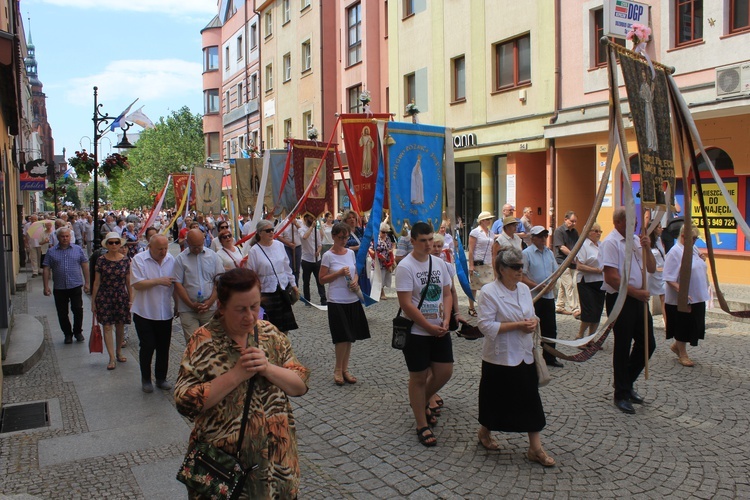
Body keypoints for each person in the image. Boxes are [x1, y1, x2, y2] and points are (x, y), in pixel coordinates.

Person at [174, 268, 309, 499]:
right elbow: (185, 402)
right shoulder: (203, 341)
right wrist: (236, 375)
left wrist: (267, 368)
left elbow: (299, 385)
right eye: (240, 309)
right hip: (224, 468)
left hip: (277, 468)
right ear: (222, 307)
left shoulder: (270, 334)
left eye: (254, 306)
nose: (249, 316)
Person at [476, 247, 555, 466]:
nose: (520, 270)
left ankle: (535, 448)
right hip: (499, 357)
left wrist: (533, 321)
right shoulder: (489, 292)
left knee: (530, 399)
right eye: (515, 267)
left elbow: (529, 314)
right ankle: (484, 432)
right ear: (501, 269)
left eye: (522, 266)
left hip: (524, 354)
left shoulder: (523, 290)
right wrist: (518, 325)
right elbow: (485, 326)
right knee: (495, 400)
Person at [395, 222, 453, 447]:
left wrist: (447, 318)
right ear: (413, 241)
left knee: (444, 371)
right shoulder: (406, 267)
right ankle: (421, 423)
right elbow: (406, 304)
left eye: (431, 240)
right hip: (417, 331)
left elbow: (447, 294)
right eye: (423, 241)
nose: (429, 244)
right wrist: (427, 327)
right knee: (418, 378)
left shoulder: (439, 263)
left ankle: (418, 402)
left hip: (440, 328)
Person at [599, 207, 656, 414]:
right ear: (619, 222)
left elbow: (651, 268)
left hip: (639, 298)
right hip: (621, 298)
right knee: (622, 346)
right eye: (631, 221)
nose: (635, 224)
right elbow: (611, 278)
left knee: (648, 343)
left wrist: (648, 248)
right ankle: (621, 393)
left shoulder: (637, 241)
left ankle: (626, 382)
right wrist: (635, 293)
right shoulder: (611, 243)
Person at [319, 223, 371, 386]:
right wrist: (338, 273)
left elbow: (355, 271)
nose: (343, 240)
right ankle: (337, 369)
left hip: (352, 299)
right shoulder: (328, 255)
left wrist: (355, 282)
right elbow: (321, 279)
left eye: (346, 237)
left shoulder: (349, 253)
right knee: (341, 337)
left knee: (350, 337)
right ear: (333, 236)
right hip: (336, 299)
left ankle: (345, 369)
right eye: (340, 237)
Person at [130, 234, 176, 392]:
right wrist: (159, 281)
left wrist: (177, 303)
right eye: (159, 249)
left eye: (165, 248)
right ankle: (146, 379)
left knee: (164, 347)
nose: (163, 252)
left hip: (164, 312)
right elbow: (137, 284)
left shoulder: (171, 259)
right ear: (150, 247)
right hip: (144, 311)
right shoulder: (139, 259)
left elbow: (175, 284)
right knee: (148, 346)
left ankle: (161, 378)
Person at [663, 225, 709, 367]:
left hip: (697, 295)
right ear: (683, 236)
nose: (695, 241)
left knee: (694, 324)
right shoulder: (675, 252)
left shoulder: (693, 249)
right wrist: (682, 292)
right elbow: (669, 277)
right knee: (683, 324)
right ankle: (682, 353)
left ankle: (677, 345)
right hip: (682, 297)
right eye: (693, 238)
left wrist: (703, 259)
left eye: (696, 238)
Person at [246, 219, 299, 333]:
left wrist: (294, 285)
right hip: (266, 292)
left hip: (282, 289)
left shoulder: (279, 245)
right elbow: (251, 275)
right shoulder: (254, 251)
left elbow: (286, 267)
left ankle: (283, 348)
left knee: (285, 326)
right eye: (268, 230)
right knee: (269, 327)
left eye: (272, 230)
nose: (271, 232)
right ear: (260, 233)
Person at [173, 228, 225, 342]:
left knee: (212, 341)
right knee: (194, 343)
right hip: (188, 309)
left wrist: (210, 302)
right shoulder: (180, 259)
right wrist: (191, 305)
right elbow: (178, 284)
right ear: (188, 243)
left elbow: (218, 281)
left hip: (209, 308)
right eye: (194, 246)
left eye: (199, 245)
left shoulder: (213, 256)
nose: (197, 249)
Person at [522, 226, 563, 368]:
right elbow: (522, 276)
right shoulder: (526, 253)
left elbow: (555, 272)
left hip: (548, 296)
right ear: (533, 238)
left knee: (550, 328)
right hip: (533, 295)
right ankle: (528, 356)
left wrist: (551, 285)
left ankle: (550, 357)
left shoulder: (549, 253)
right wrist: (538, 286)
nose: (543, 239)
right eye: (540, 236)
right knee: (530, 327)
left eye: (545, 236)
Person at [91, 232, 132, 370]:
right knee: (107, 326)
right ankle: (111, 357)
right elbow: (96, 282)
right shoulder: (101, 260)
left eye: (116, 242)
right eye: (111, 242)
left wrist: (131, 300)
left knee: (120, 325)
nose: (114, 245)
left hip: (120, 295)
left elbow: (128, 282)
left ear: (120, 244)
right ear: (106, 244)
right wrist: (93, 301)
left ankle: (119, 351)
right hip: (104, 296)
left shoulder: (126, 260)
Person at [43, 227, 90, 344]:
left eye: (67, 236)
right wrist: (46, 286)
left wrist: (87, 282)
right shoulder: (51, 251)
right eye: (62, 236)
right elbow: (46, 268)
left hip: (75, 285)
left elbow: (84, 265)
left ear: (70, 237)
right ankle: (67, 334)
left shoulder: (77, 249)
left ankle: (78, 331)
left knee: (78, 309)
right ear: (58, 237)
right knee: (62, 313)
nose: (65, 238)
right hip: (59, 287)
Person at [575, 223, 606, 341]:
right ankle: (580, 335)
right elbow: (579, 266)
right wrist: (596, 270)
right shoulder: (583, 245)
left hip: (600, 281)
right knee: (589, 311)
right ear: (588, 232)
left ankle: (591, 337)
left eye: (600, 231)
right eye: (595, 231)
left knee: (598, 311)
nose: (598, 233)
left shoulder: (601, 245)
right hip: (586, 282)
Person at [468, 211, 495, 317]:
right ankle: (471, 307)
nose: (489, 221)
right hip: (477, 262)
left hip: (488, 263)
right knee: (474, 286)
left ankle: (486, 308)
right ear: (482, 221)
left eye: (490, 219)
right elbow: (471, 250)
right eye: (488, 219)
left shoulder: (491, 233)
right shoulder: (475, 232)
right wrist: (471, 265)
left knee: (488, 286)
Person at [553, 211, 581, 318]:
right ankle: (575, 308)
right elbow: (561, 247)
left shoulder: (575, 232)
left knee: (563, 285)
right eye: (572, 221)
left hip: (572, 262)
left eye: (575, 222)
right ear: (565, 220)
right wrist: (573, 256)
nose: (574, 223)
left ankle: (559, 306)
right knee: (569, 284)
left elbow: (578, 245)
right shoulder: (559, 231)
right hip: (562, 261)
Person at [299, 213, 327, 305]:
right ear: (306, 218)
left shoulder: (317, 230)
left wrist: (318, 251)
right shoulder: (301, 229)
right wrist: (312, 227)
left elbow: (319, 244)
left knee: (320, 280)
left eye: (313, 218)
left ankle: (323, 299)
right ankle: (307, 300)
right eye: (311, 218)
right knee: (306, 281)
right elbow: (304, 237)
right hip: (306, 259)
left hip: (316, 259)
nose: (312, 219)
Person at [648, 224, 666, 327]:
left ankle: (667, 323)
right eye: (659, 227)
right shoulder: (648, 242)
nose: (662, 229)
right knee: (646, 296)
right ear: (653, 229)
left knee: (664, 298)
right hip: (651, 274)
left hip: (662, 273)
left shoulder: (659, 240)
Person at [373, 222, 395, 300]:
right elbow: (372, 249)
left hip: (387, 261)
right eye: (383, 232)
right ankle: (381, 293)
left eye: (386, 232)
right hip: (379, 261)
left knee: (385, 277)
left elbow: (392, 245)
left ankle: (380, 292)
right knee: (380, 277)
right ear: (379, 231)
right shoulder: (376, 238)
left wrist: (391, 250)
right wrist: (378, 255)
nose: (385, 234)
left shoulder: (388, 238)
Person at [278, 216, 302, 286]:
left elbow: (303, 232)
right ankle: (290, 285)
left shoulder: (299, 222)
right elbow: (279, 236)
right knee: (289, 267)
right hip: (287, 248)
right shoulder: (283, 223)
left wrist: (296, 224)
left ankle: (296, 285)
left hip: (297, 247)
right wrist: (288, 243)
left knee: (297, 268)